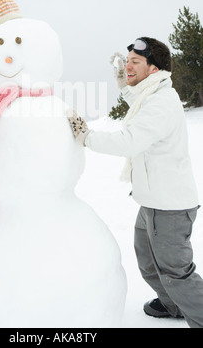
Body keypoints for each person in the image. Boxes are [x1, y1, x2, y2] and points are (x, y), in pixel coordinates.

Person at [68, 37, 203, 328]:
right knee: (148, 263)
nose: (127, 65)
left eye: (135, 62)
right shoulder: (153, 93)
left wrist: (86, 136)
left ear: (153, 69)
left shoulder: (161, 103)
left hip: (169, 206)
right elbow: (139, 99)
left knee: (175, 273)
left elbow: (130, 140)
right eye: (126, 60)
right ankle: (172, 305)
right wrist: (124, 83)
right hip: (152, 200)